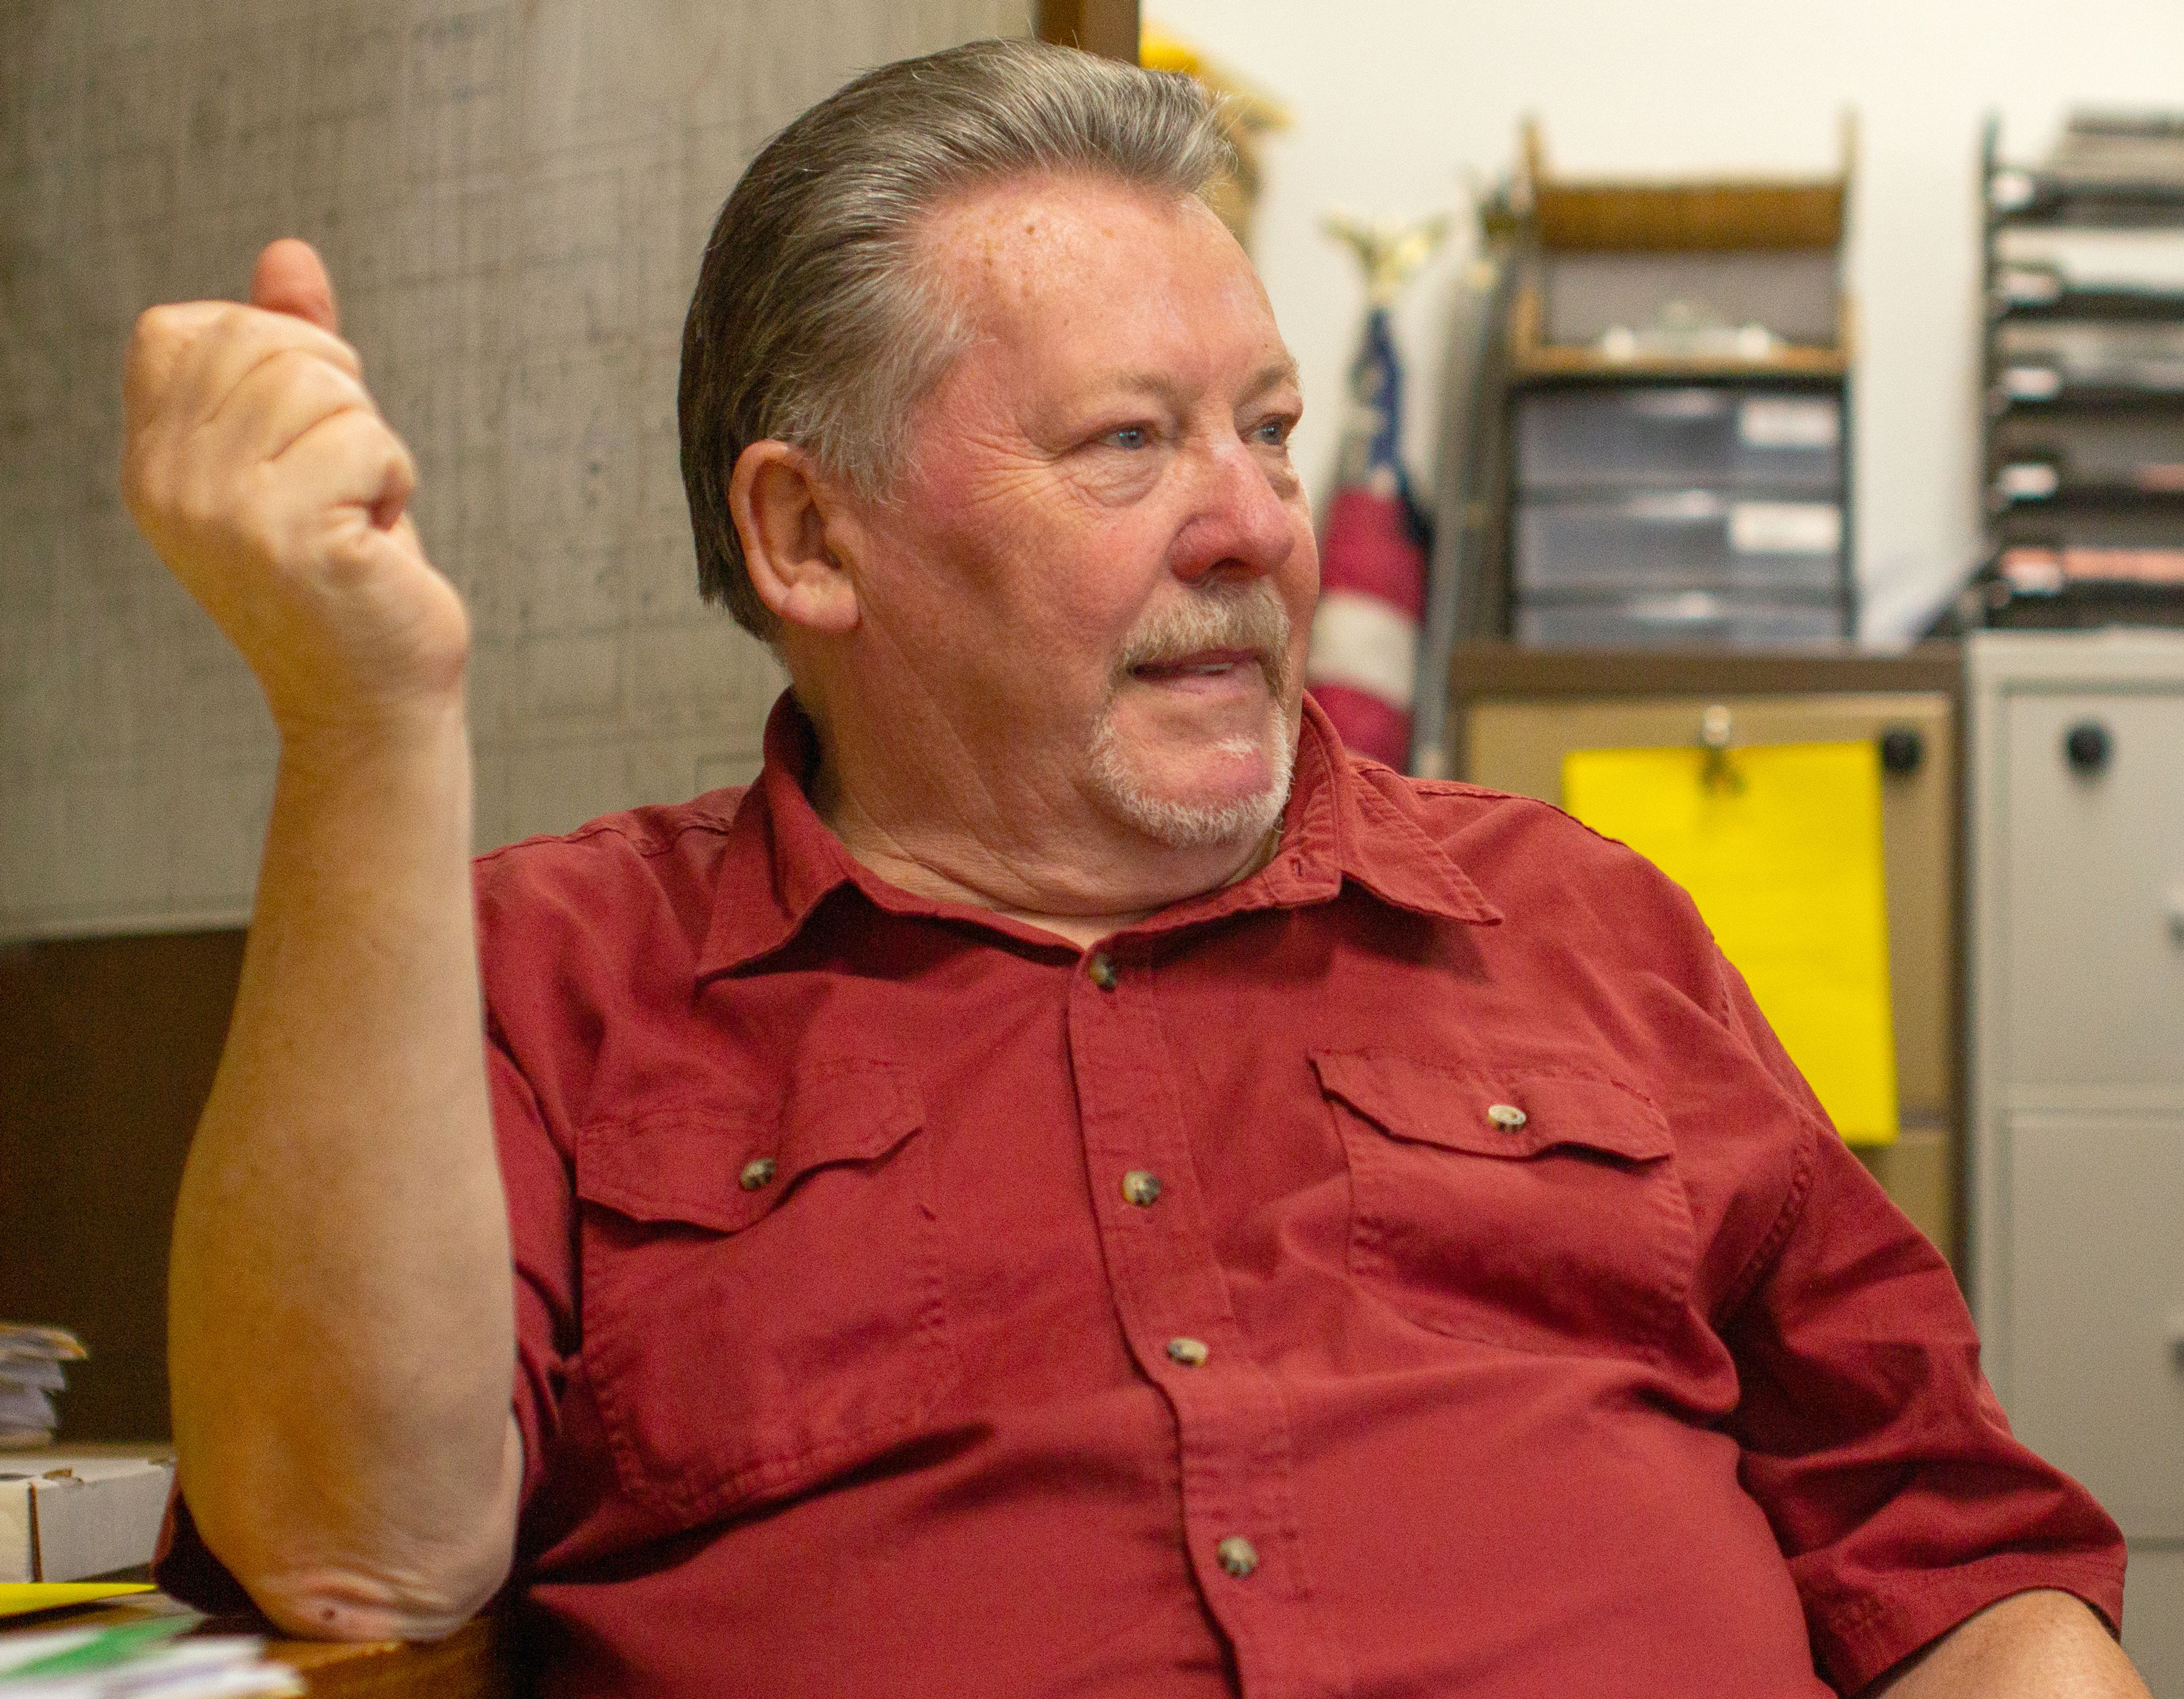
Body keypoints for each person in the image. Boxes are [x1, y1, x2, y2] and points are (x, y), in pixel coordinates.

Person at [121, 38, 2144, 1699]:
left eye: (1267, 430)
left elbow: (1957, 1562)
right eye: (1130, 444)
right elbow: (350, 1549)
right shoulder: (560, 976)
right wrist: (365, 724)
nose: (1256, 524)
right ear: (809, 543)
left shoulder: (1584, 919)